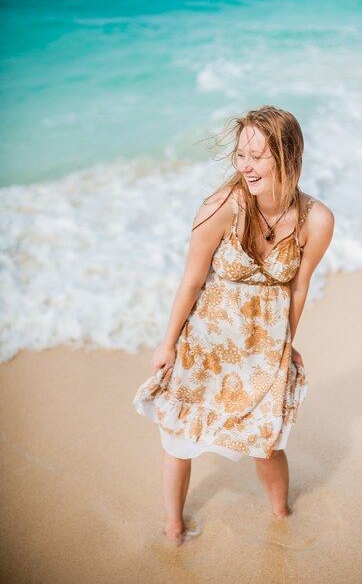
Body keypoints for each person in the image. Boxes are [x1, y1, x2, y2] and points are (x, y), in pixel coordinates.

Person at [133, 105, 335, 546]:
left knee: (267, 441)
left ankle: (283, 515)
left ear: (288, 156)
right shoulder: (222, 206)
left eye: (257, 155)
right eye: (241, 154)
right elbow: (192, 278)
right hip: (206, 340)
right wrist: (167, 344)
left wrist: (286, 343)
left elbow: (298, 290)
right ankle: (174, 525)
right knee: (179, 438)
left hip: (263, 347)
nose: (245, 165)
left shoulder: (316, 220)